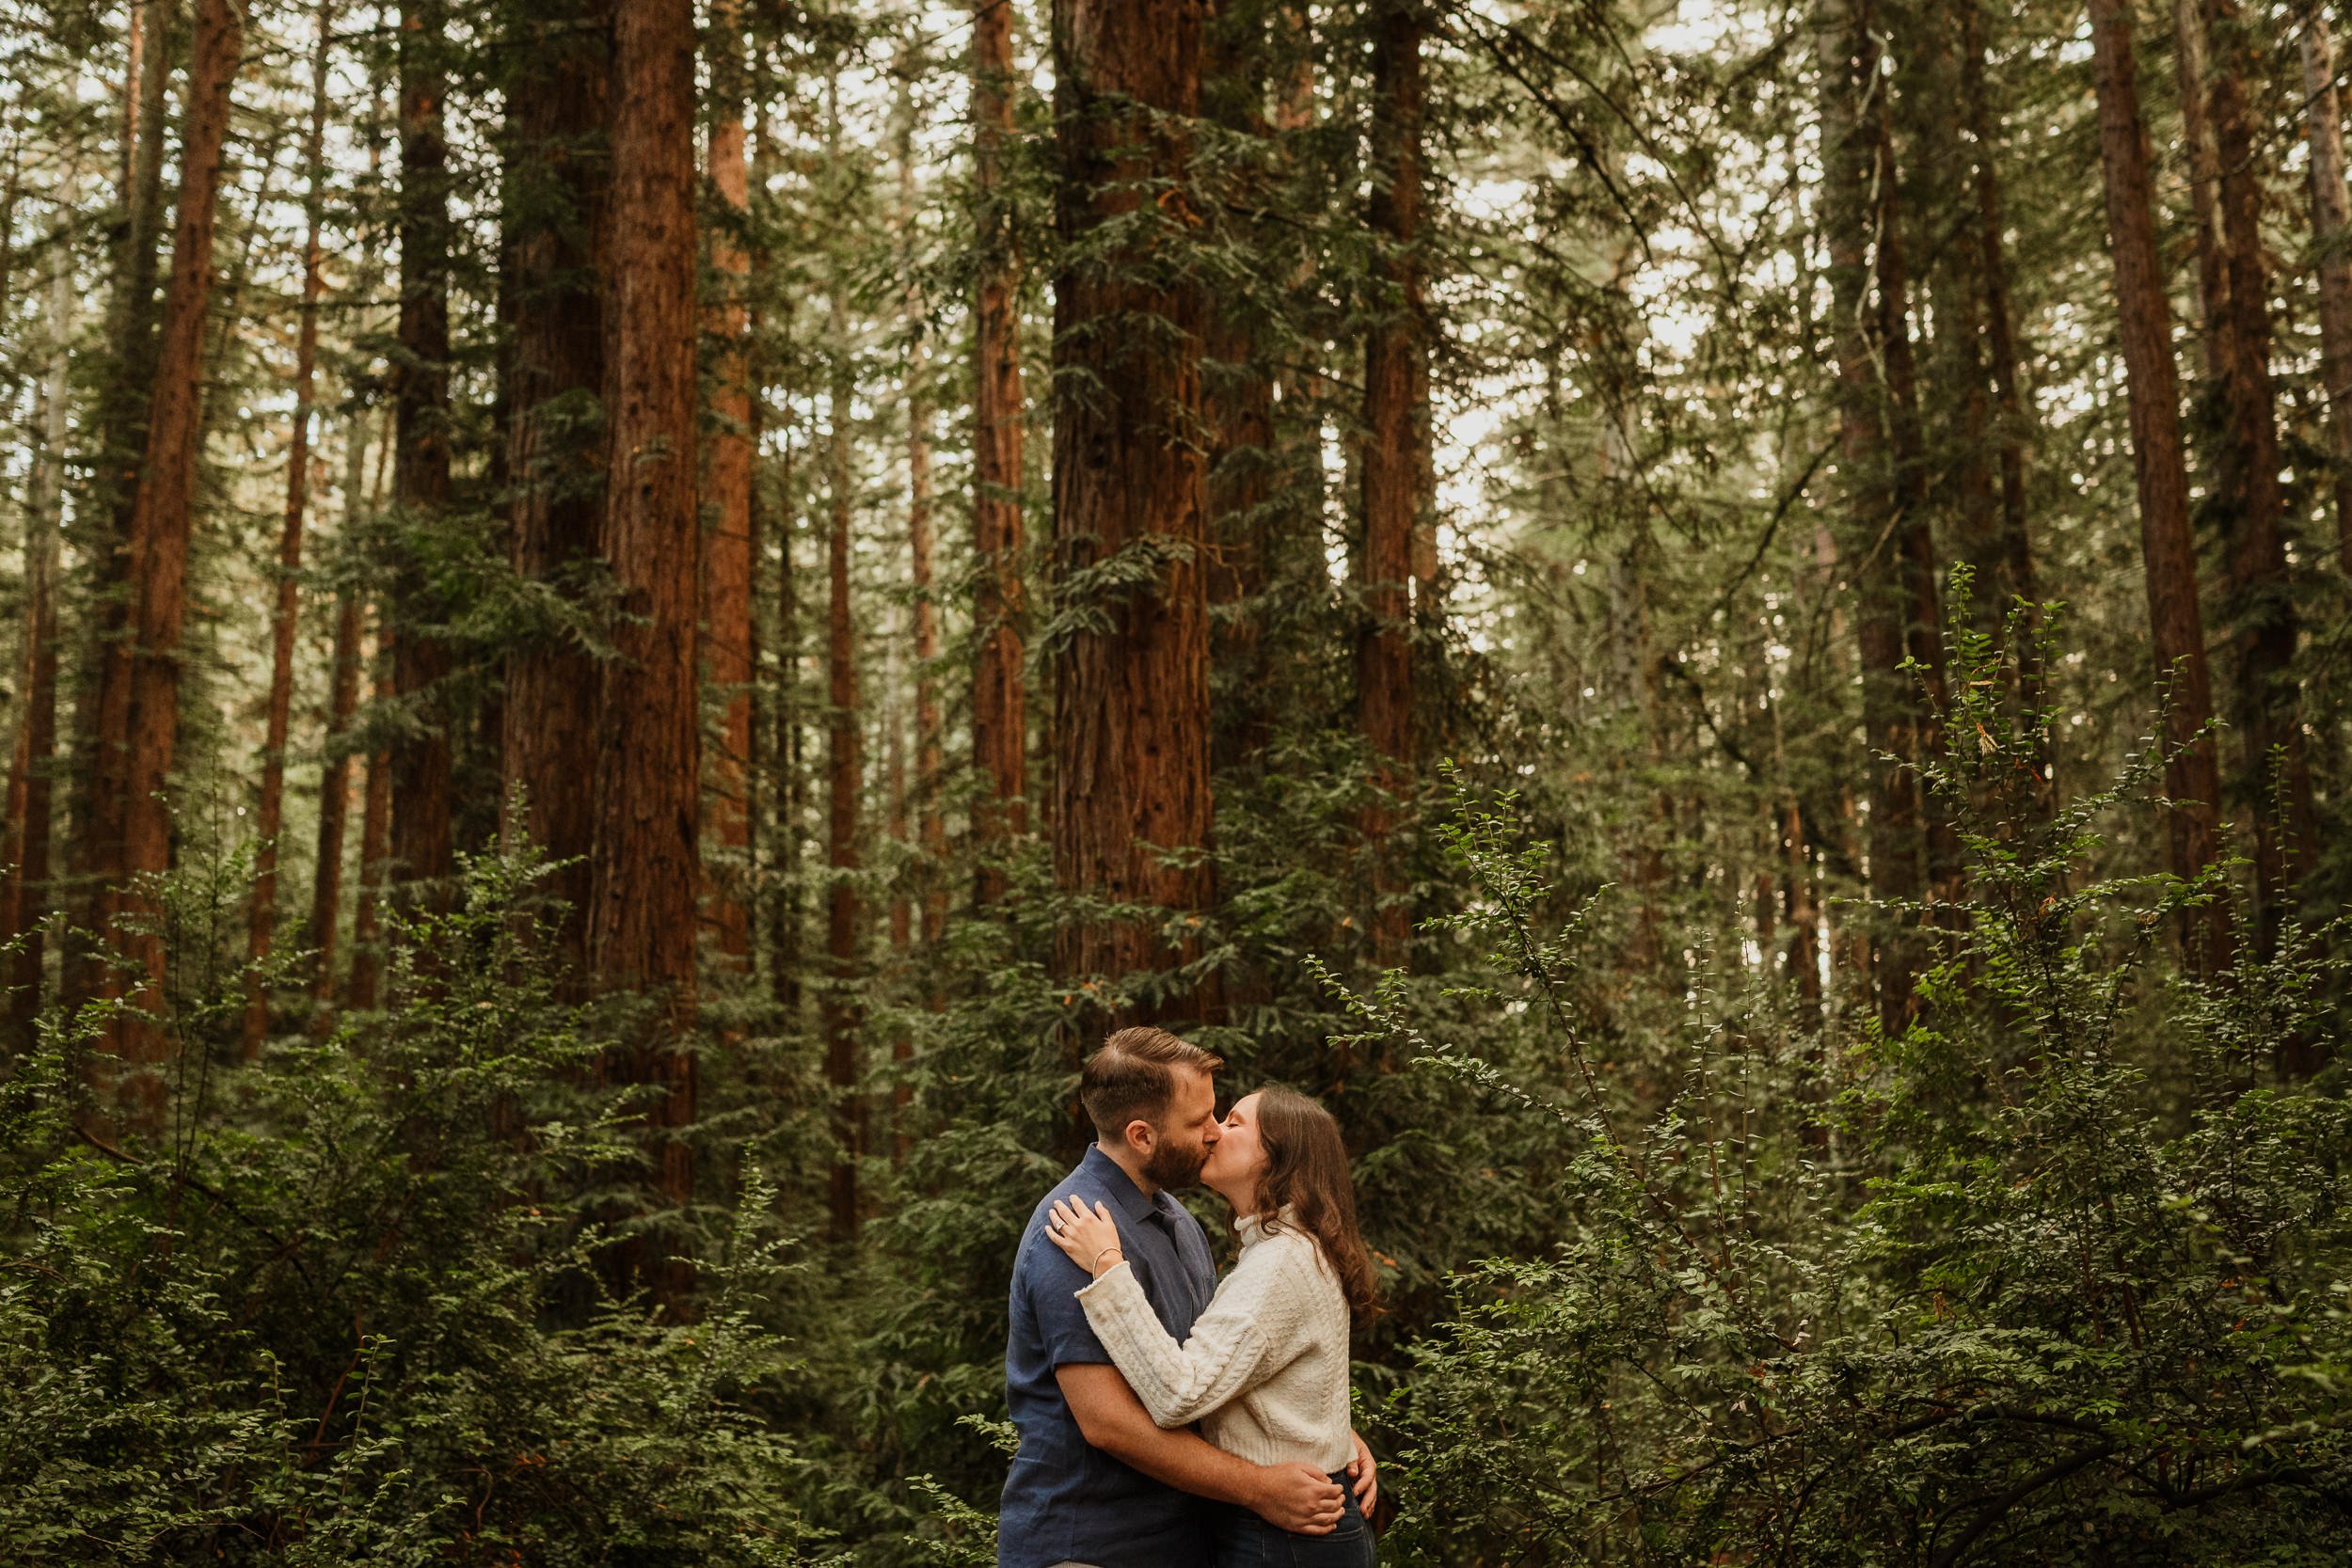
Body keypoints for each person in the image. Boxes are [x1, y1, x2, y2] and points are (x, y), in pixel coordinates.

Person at [1000, 1027, 1377, 1568]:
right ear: (1142, 1136)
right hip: (1093, 1543)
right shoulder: (1075, 1229)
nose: (1213, 1132)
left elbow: (1220, 1366)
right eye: (1199, 1121)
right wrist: (1257, 1486)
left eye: (1221, 1117)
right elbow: (1109, 1423)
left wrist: (1322, 1434)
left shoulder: (1180, 1222)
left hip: (1186, 1538)